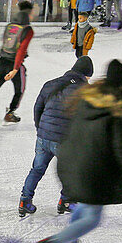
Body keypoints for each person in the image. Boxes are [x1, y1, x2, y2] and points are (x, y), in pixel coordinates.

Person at [30, 59, 122, 243]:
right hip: (91, 171)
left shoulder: (85, 97)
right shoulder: (121, 111)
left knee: (83, 205)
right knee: (92, 217)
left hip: (68, 162)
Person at [19, 56, 93, 217]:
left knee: (37, 169)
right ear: (86, 75)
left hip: (44, 136)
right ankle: (66, 202)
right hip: (65, 140)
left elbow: (37, 108)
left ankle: (25, 201)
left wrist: (41, 129)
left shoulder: (50, 84)